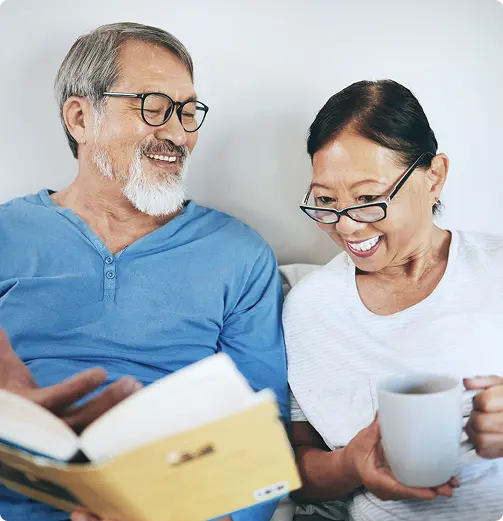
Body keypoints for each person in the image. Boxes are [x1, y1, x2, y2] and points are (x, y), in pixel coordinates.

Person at [0, 22, 288, 521]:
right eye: (152, 105)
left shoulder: (239, 253)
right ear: (79, 118)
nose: (177, 133)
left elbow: (263, 443)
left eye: (189, 111)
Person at [283, 79, 503, 521]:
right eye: (326, 201)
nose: (346, 228)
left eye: (368, 198)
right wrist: (350, 465)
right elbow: (297, 472)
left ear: (433, 177)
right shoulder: (309, 308)